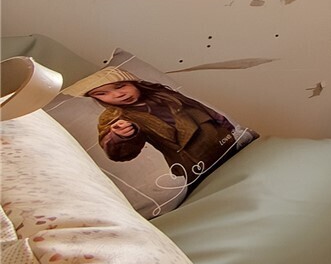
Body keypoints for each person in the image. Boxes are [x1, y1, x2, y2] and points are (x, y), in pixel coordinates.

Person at [65, 68, 246, 184]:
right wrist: (122, 136)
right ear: (97, 99)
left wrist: (224, 123)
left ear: (134, 83)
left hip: (222, 139)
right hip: (195, 161)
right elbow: (118, 151)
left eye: (121, 86)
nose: (118, 95)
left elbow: (197, 107)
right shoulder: (116, 117)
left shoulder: (162, 94)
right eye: (103, 93)